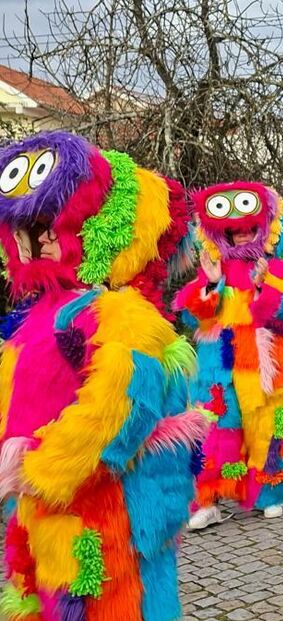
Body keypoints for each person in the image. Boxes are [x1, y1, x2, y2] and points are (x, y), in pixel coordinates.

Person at [0, 131, 203, 620]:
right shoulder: (33, 319)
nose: (38, 242)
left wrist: (40, 468)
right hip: (38, 512)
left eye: (49, 228)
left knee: (116, 604)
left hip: (105, 509)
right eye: (26, 231)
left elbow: (125, 406)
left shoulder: (117, 311)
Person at [177, 182, 283, 528]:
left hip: (266, 369)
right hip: (218, 368)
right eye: (234, 230)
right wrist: (210, 285)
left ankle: (268, 492)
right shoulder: (212, 270)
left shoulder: (282, 270)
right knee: (218, 431)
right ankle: (211, 499)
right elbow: (192, 315)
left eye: (249, 228)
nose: (241, 235)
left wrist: (264, 288)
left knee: (270, 428)